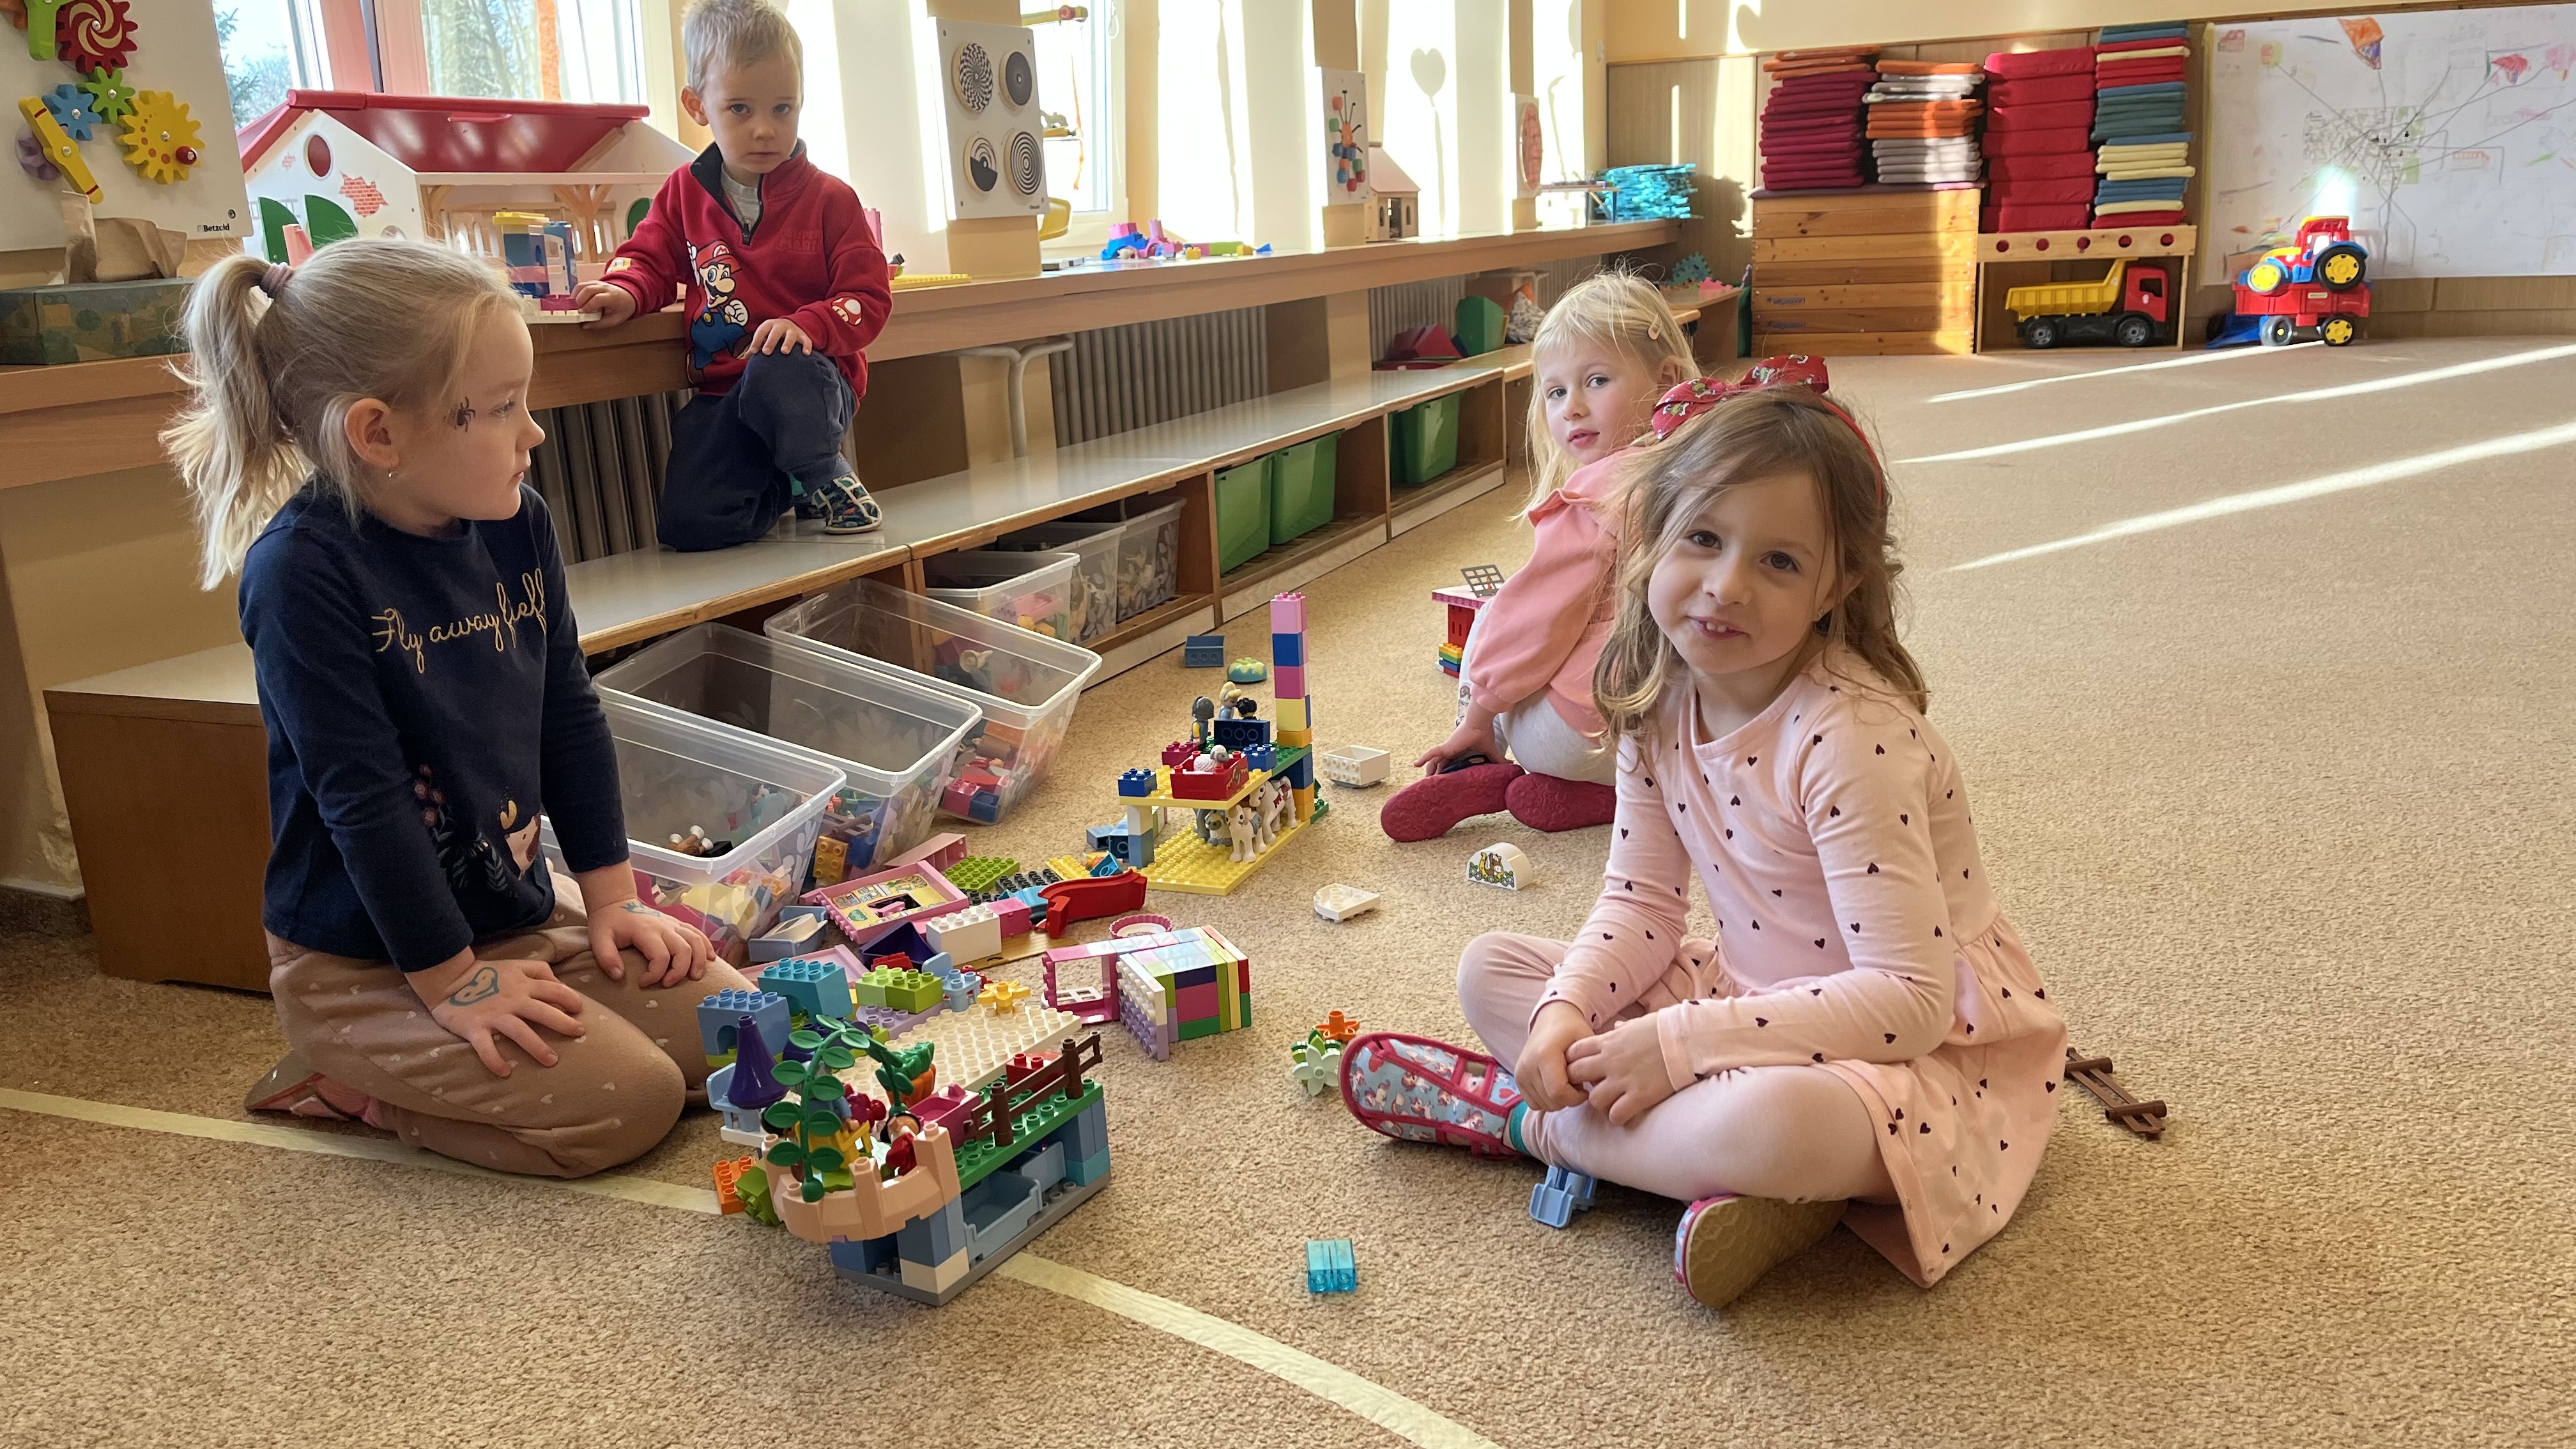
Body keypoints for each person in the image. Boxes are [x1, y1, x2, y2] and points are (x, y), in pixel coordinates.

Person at [1341, 363, 2069, 1308]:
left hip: (1911, 1050)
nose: (1726, 587)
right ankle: (1720, 1175)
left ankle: (1533, 1129)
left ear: (1838, 584)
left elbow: (1910, 1006)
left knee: (1770, 1125)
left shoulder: (1853, 740)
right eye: (1704, 539)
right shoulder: (1655, 701)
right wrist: (1568, 1011)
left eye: (1779, 562)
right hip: (1751, 997)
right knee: (1495, 971)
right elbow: (1641, 903)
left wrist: (1677, 1046)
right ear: (1649, 537)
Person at [167, 239, 754, 1179]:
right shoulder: (301, 573)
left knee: (742, 1035)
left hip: (512, 909)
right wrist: (452, 985)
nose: (535, 434)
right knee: (630, 1105)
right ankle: (349, 1082)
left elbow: (569, 714)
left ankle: (499, 1012)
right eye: (503, 407)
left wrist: (613, 903)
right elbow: (365, 802)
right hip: (370, 964)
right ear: (379, 435)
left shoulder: (518, 523)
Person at [1381, 273, 1698, 841]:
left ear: (1667, 380)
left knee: (1496, 614)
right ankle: (1607, 793)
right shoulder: (1708, 472)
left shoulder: (1596, 497)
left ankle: (1480, 750)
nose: (1572, 408)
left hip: (1581, 737)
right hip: (1690, 733)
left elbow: (1535, 622)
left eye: (1596, 381)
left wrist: (1483, 711)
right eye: (1555, 392)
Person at [574, 0, 893, 548]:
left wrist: (807, 326)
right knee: (689, 524)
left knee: (777, 364)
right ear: (698, 106)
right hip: (725, 390)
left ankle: (821, 473)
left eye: (783, 108)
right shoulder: (683, 192)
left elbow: (868, 296)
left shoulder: (831, 199)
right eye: (740, 109)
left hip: (809, 385)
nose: (765, 130)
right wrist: (625, 291)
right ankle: (790, 484)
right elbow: (648, 259)